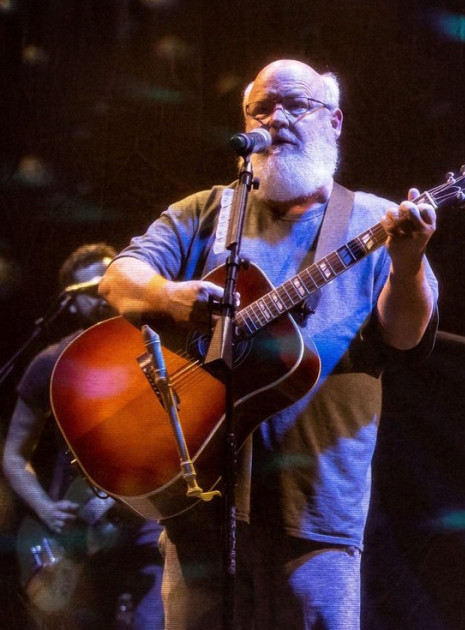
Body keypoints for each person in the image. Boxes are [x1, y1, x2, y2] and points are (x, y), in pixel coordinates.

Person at [97, 59, 439, 629]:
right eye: (261, 109)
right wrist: (170, 295)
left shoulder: (378, 220)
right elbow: (117, 279)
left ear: (334, 121)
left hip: (316, 510)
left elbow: (404, 339)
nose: (276, 118)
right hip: (198, 508)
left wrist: (408, 265)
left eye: (295, 105)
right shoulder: (206, 211)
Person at [3, 243, 165, 630]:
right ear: (71, 303)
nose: (101, 295)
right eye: (89, 290)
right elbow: (13, 454)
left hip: (145, 524)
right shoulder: (51, 362)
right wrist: (45, 509)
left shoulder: (156, 349)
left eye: (107, 283)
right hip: (80, 532)